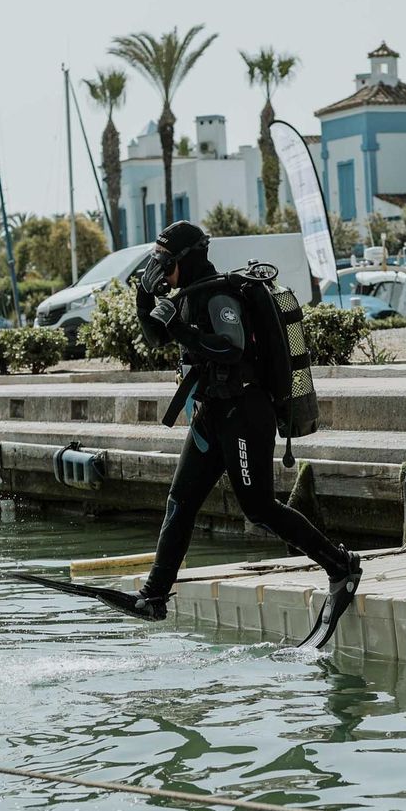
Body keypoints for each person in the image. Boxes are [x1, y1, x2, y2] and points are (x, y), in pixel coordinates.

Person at [101, 221, 361, 634]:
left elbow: (231, 346)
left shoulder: (219, 294)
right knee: (180, 501)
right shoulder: (186, 295)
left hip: (244, 412)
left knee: (258, 508)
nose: (159, 267)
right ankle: (154, 596)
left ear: (186, 259)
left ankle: (341, 566)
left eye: (164, 261)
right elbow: (155, 337)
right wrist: (144, 294)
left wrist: (180, 328)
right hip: (211, 412)